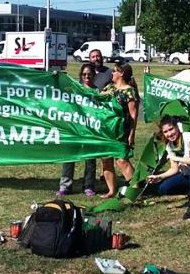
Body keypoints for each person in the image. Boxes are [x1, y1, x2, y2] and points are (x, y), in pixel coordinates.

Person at [147, 116, 190, 220]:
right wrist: (159, 177)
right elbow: (174, 169)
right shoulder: (169, 145)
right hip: (189, 175)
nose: (169, 134)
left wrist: (178, 158)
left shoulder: (189, 137)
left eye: (171, 129)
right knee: (163, 188)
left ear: (177, 127)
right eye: (165, 132)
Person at [56, 63, 98, 197]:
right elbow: (61, 91)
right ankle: (65, 186)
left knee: (90, 160)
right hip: (75, 129)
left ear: (94, 75)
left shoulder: (97, 92)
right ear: (80, 76)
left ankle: (88, 186)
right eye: (84, 74)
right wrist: (56, 77)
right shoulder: (75, 89)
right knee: (69, 158)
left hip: (90, 130)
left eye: (89, 74)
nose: (87, 76)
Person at [100, 62, 139, 198]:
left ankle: (135, 190)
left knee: (122, 161)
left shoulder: (129, 91)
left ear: (121, 73)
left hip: (122, 130)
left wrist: (132, 134)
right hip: (107, 130)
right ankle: (111, 191)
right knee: (106, 160)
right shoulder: (109, 88)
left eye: (114, 71)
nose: (112, 73)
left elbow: (133, 115)